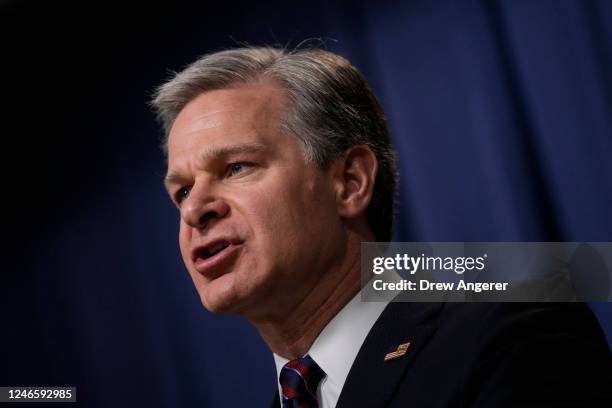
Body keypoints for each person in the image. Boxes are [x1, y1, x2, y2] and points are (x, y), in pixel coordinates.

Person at [151, 47, 612, 407]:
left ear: (349, 182)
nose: (196, 210)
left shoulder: (508, 335)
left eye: (235, 167)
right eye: (182, 191)